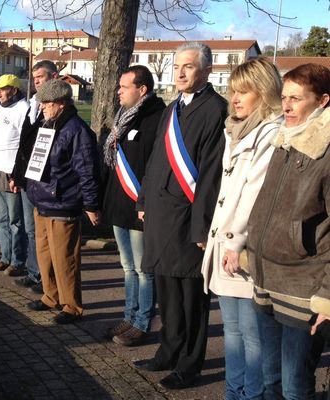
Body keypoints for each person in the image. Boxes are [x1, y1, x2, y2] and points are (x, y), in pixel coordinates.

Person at [134, 42, 227, 390]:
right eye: (177, 67)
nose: (181, 73)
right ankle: (168, 351)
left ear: (206, 70)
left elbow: (210, 174)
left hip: (189, 221)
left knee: (191, 299)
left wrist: (202, 225)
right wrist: (143, 199)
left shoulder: (215, 109)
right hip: (160, 216)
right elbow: (157, 159)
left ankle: (190, 364)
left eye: (188, 66)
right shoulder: (173, 109)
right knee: (167, 291)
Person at [200, 57, 283, 399]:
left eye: (243, 91)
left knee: (252, 335)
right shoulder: (235, 129)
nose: (234, 98)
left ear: (263, 92)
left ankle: (250, 395)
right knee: (231, 332)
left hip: (243, 248)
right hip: (225, 243)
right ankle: (233, 393)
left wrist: (234, 241)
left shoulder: (270, 131)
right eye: (232, 90)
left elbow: (255, 192)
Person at [246, 63, 330, 399]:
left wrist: (327, 296)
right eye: (284, 97)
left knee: (295, 385)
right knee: (271, 381)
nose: (287, 106)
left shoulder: (323, 149)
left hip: (304, 288)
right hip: (267, 278)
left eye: (296, 98)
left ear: (322, 100)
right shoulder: (285, 140)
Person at [25, 79, 100, 325]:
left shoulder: (76, 130)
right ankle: (51, 296)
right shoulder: (48, 125)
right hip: (43, 200)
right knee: (45, 254)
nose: (42, 107)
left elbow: (87, 170)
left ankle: (72, 305)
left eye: (46, 103)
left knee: (64, 258)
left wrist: (91, 204)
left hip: (63, 202)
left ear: (60, 103)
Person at [102, 65, 165, 346]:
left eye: (124, 87)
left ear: (142, 90)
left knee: (143, 269)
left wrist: (147, 201)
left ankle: (142, 322)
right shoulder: (121, 119)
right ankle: (129, 316)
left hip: (140, 204)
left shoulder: (156, 118)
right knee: (127, 267)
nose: (118, 92)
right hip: (119, 203)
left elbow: (155, 165)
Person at [10, 60, 60, 294]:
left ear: (54, 76)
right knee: (32, 229)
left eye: (41, 76)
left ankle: (45, 277)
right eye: (34, 77)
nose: (36, 81)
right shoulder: (32, 105)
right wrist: (16, 174)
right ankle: (34, 271)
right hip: (27, 175)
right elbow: (23, 144)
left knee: (42, 232)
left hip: (45, 180)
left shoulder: (56, 110)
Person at [0, 74, 29, 277]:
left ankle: (18, 261)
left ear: (15, 90)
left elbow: (23, 145)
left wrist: (17, 174)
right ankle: (5, 257)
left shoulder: (23, 109)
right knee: (2, 219)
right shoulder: (0, 109)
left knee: (15, 220)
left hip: (11, 171)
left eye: (3, 89)